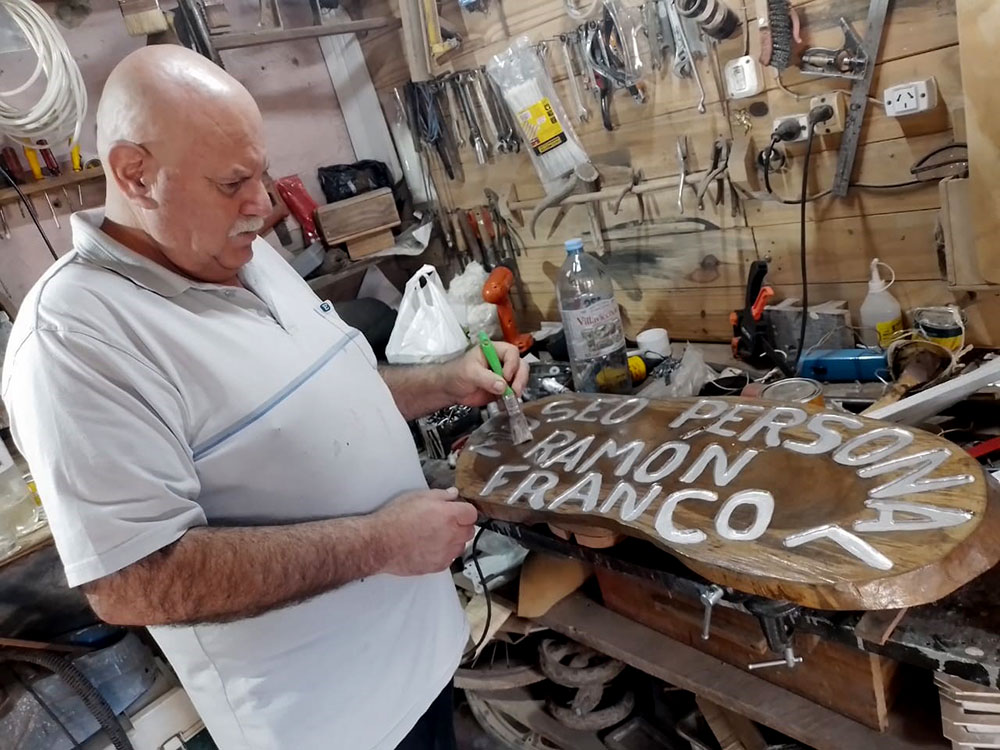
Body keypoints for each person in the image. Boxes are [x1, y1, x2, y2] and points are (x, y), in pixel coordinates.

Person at [1, 45, 528, 750]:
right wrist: (382, 543)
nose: (264, 204)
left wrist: (443, 382)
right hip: (332, 727)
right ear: (135, 174)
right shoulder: (74, 339)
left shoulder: (240, 252)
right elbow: (133, 581)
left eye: (260, 172)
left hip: (422, 659)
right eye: (232, 182)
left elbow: (328, 396)